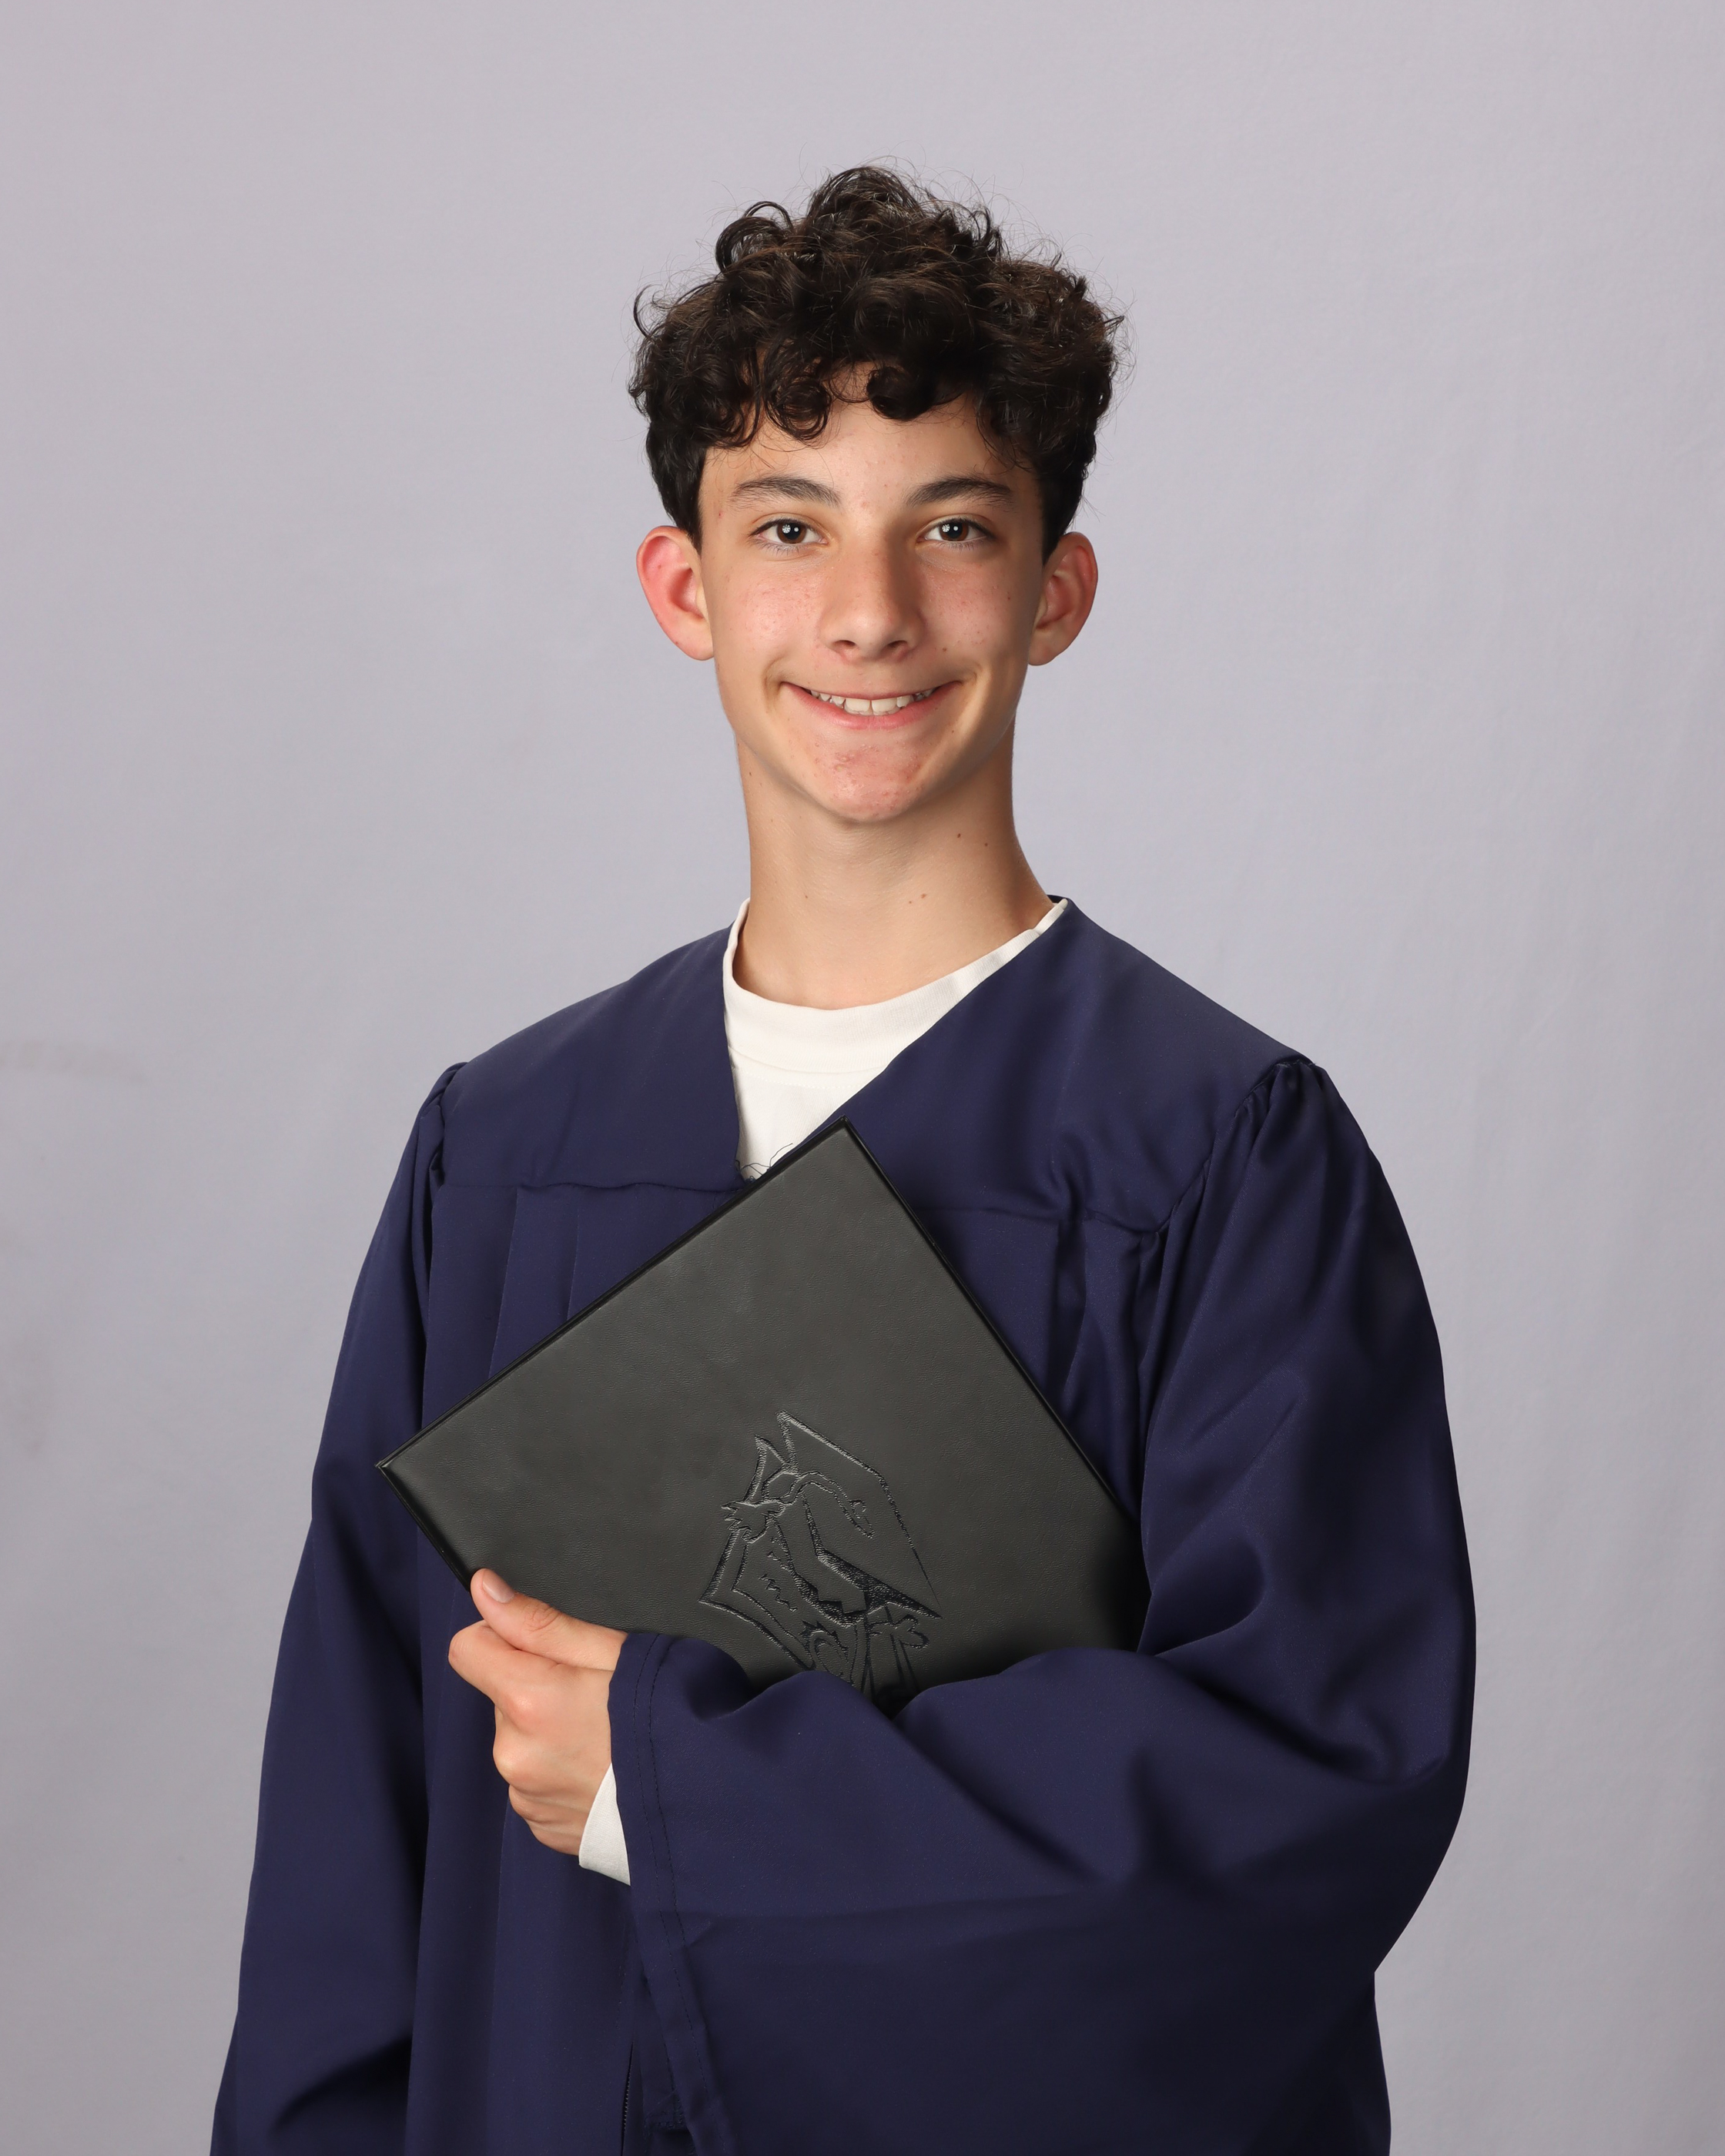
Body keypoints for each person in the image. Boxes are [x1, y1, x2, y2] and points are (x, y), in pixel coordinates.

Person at [213, 168, 1472, 2156]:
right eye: (789, 527)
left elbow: (1297, 1791)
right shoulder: (510, 1154)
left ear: (1055, 589)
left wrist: (678, 1788)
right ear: (686, 589)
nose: (870, 612)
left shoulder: (1219, 1158)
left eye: (952, 528)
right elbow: (353, 1842)